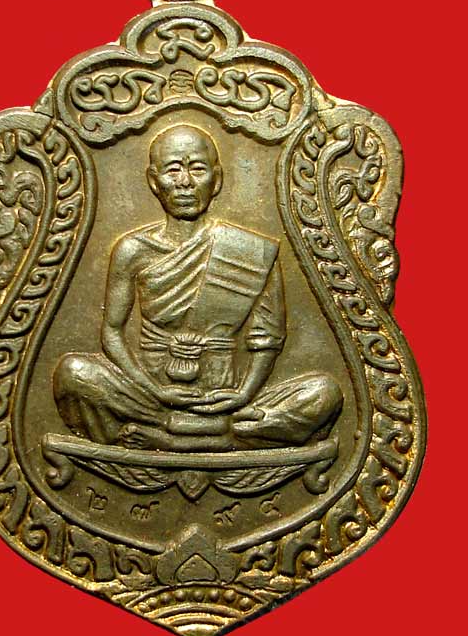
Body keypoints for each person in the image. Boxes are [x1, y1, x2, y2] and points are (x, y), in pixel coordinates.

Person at [53, 124, 343, 451]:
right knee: (73, 374)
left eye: (197, 169)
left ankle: (180, 436)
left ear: (216, 181)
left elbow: (268, 336)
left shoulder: (252, 251)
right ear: (154, 181)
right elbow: (112, 332)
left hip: (227, 397)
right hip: (150, 396)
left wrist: (244, 394)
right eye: (173, 169)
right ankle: (213, 434)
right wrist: (154, 390)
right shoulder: (132, 250)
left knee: (324, 393)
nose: (185, 182)